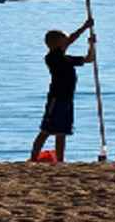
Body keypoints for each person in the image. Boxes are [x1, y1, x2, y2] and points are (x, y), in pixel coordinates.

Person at [28, 17, 94, 162]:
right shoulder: (54, 58)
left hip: (67, 98)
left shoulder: (62, 55)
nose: (68, 42)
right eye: (64, 40)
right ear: (58, 43)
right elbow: (73, 43)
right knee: (46, 130)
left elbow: (90, 58)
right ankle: (33, 158)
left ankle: (60, 160)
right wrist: (84, 28)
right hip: (56, 98)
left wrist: (90, 42)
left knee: (62, 131)